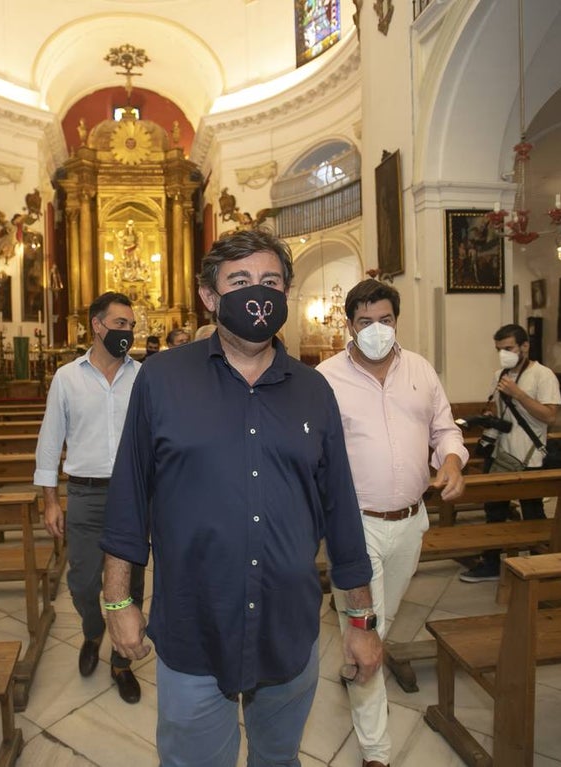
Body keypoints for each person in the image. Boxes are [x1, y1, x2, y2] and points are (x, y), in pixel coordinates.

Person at [100, 229, 381, 766]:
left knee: (278, 760)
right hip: (193, 628)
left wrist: (361, 622)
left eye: (271, 281)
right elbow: (130, 499)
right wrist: (118, 600)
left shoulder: (314, 390)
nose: (258, 294)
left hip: (287, 630)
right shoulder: (161, 379)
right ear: (210, 297)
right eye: (240, 281)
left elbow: (342, 515)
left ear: (287, 294)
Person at [317, 279, 467, 767]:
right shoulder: (326, 379)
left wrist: (451, 461)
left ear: (395, 321)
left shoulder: (420, 369)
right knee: (367, 629)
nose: (377, 330)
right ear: (349, 325)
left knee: (376, 624)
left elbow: (445, 426)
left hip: (410, 522)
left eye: (385, 320)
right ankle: (376, 752)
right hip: (354, 527)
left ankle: (359, 651)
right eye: (365, 322)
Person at [33, 291, 146, 704]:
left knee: (130, 584)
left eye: (131, 326)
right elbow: (50, 442)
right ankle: (93, 630)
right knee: (81, 583)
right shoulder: (68, 377)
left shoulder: (143, 376)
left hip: (133, 496)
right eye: (120, 325)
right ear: (97, 326)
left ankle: (121, 661)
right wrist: (49, 500)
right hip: (84, 492)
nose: (127, 333)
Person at [460, 323, 561, 582]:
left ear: (524, 346)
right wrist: (489, 417)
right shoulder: (500, 375)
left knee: (532, 512)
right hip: (502, 454)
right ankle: (492, 563)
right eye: (499, 349)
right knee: (494, 510)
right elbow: (500, 412)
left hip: (530, 456)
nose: (504, 353)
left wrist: (519, 394)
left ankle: (540, 567)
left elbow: (549, 416)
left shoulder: (543, 375)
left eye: (508, 348)